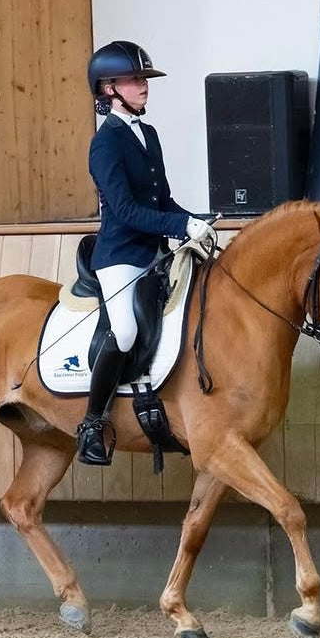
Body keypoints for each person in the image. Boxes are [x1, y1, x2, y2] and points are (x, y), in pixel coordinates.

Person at [75, 40, 215, 466]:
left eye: (144, 80)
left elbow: (162, 201)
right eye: (135, 80)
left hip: (155, 255)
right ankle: (92, 424)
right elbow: (127, 211)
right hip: (120, 257)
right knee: (126, 331)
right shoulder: (105, 144)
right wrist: (178, 227)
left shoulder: (148, 134)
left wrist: (196, 222)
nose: (144, 86)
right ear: (108, 89)